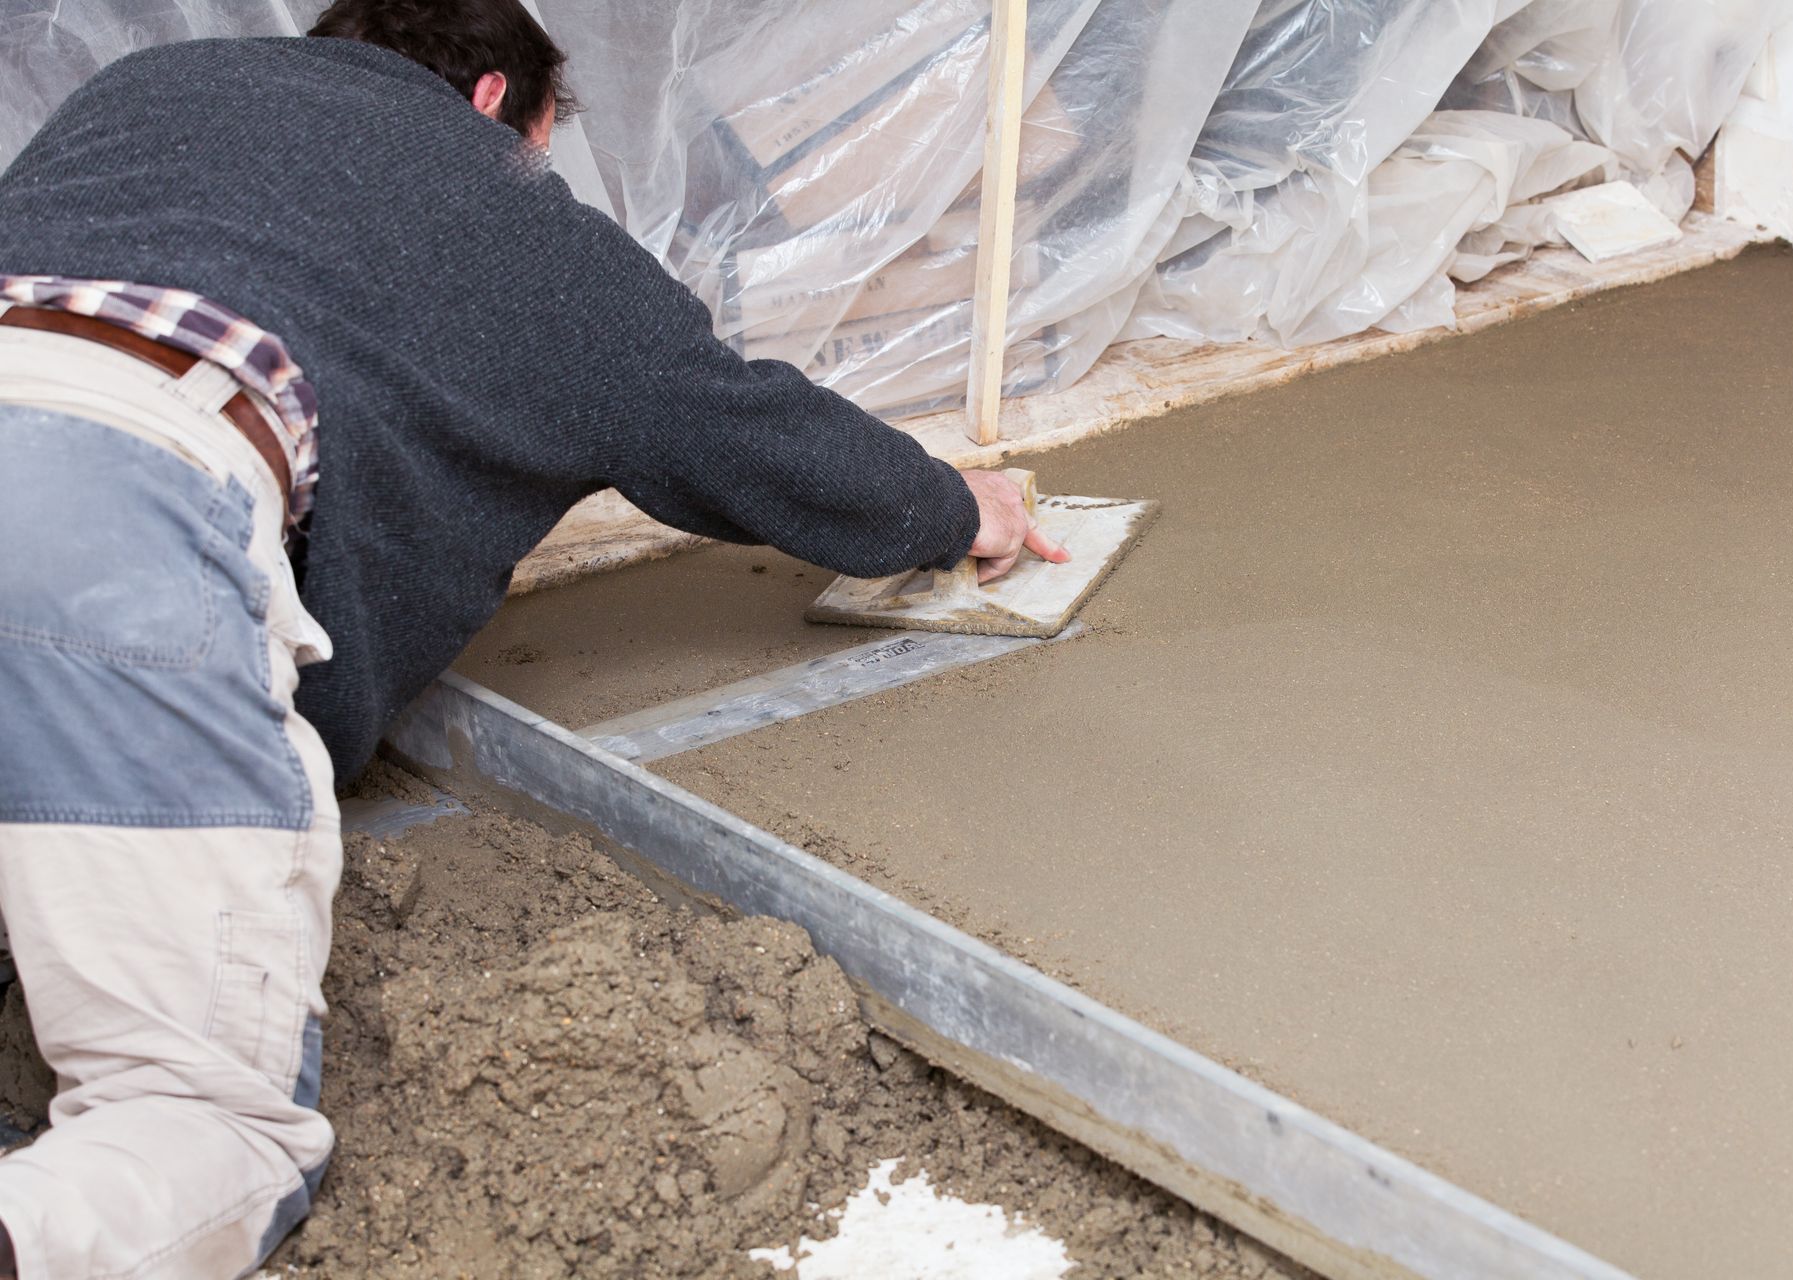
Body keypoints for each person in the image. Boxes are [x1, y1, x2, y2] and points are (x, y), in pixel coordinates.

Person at [0, 1, 1065, 1275]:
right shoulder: (499, 200)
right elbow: (719, 420)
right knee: (198, 1124)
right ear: (499, 103)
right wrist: (953, 506)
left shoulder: (153, 91)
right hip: (112, 499)